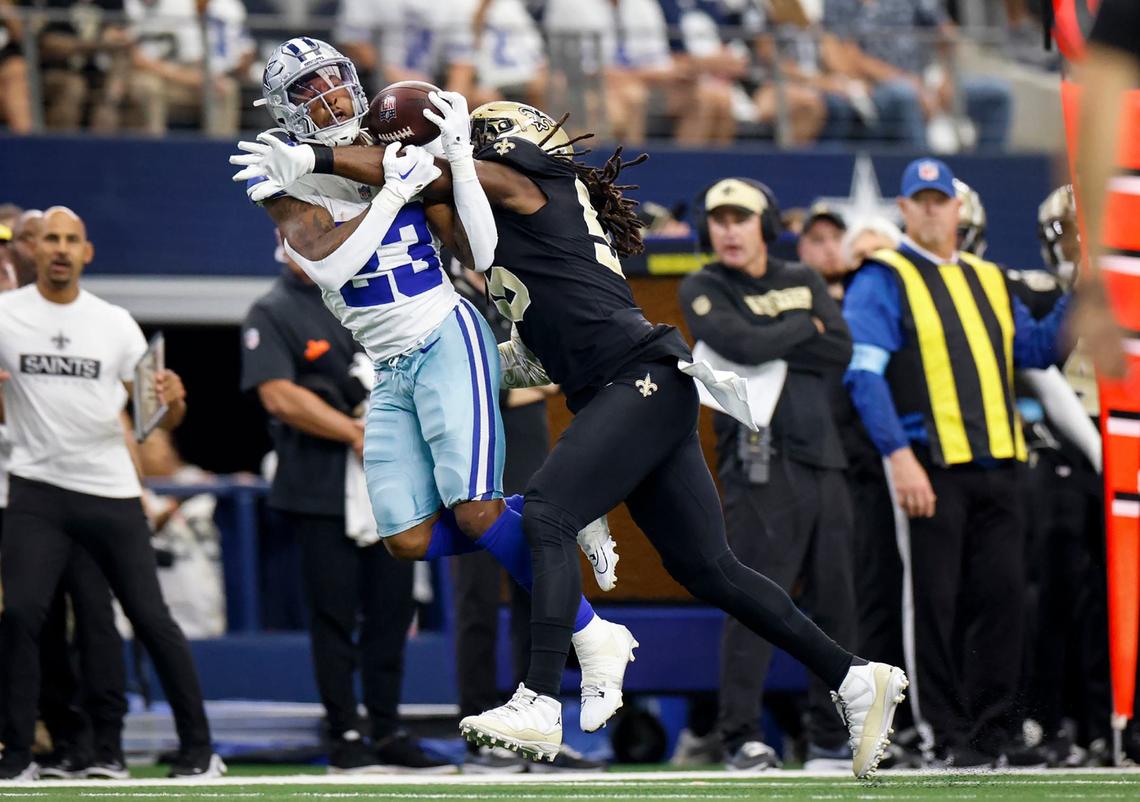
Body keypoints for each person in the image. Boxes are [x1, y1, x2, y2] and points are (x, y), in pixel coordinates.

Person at [237, 98, 911, 780]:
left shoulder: (528, 179)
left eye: (473, 140)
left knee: (550, 513)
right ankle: (853, 676)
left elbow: (423, 172)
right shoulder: (509, 209)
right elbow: (517, 314)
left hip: (637, 379)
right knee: (709, 569)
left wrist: (316, 158)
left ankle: (538, 697)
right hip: (632, 385)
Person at [230, 38, 633, 735]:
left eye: (333, 80)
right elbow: (329, 262)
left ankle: (594, 634)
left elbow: (480, 253)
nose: (326, 96)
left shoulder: (396, 140)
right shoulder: (279, 166)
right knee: (407, 539)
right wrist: (391, 190)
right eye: (307, 90)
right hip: (389, 362)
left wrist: (451, 160)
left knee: (474, 513)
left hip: (446, 333)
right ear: (284, 110)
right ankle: (559, 514)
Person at [842, 158, 1071, 766]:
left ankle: (993, 731)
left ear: (956, 208)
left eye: (939, 200)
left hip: (1000, 464)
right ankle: (944, 733)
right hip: (932, 465)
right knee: (933, 606)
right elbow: (865, 375)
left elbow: (1039, 349)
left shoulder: (990, 278)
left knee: (1000, 602)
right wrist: (899, 456)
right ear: (904, 210)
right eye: (919, 201)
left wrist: (1083, 289)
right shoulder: (883, 276)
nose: (931, 210)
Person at [0, 207, 223, 780]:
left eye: (71, 240)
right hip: (37, 489)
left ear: (86, 253)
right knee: (22, 614)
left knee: (150, 619)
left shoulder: (114, 322)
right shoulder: (5, 315)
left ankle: (200, 749)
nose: (59, 248)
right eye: (50, 238)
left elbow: (161, 422)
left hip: (109, 490)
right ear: (33, 250)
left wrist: (174, 398)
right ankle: (20, 755)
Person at [241, 233, 454, 773]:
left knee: (392, 610)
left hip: (396, 483)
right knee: (332, 614)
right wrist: (357, 433)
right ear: (282, 245)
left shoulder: (370, 294)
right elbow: (277, 393)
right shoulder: (274, 309)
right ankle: (345, 731)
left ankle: (387, 727)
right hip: (322, 487)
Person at [679, 179, 858, 772]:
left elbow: (843, 351)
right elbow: (741, 345)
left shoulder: (802, 278)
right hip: (759, 462)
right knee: (759, 603)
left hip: (822, 457)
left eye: (742, 218)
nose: (729, 229)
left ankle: (831, 738)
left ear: (766, 224)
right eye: (719, 219)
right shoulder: (703, 285)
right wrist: (806, 329)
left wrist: (777, 340)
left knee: (836, 602)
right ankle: (740, 736)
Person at [797, 203, 848, 300]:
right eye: (818, 240)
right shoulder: (792, 302)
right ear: (801, 250)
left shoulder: (871, 294)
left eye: (837, 237)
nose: (830, 249)